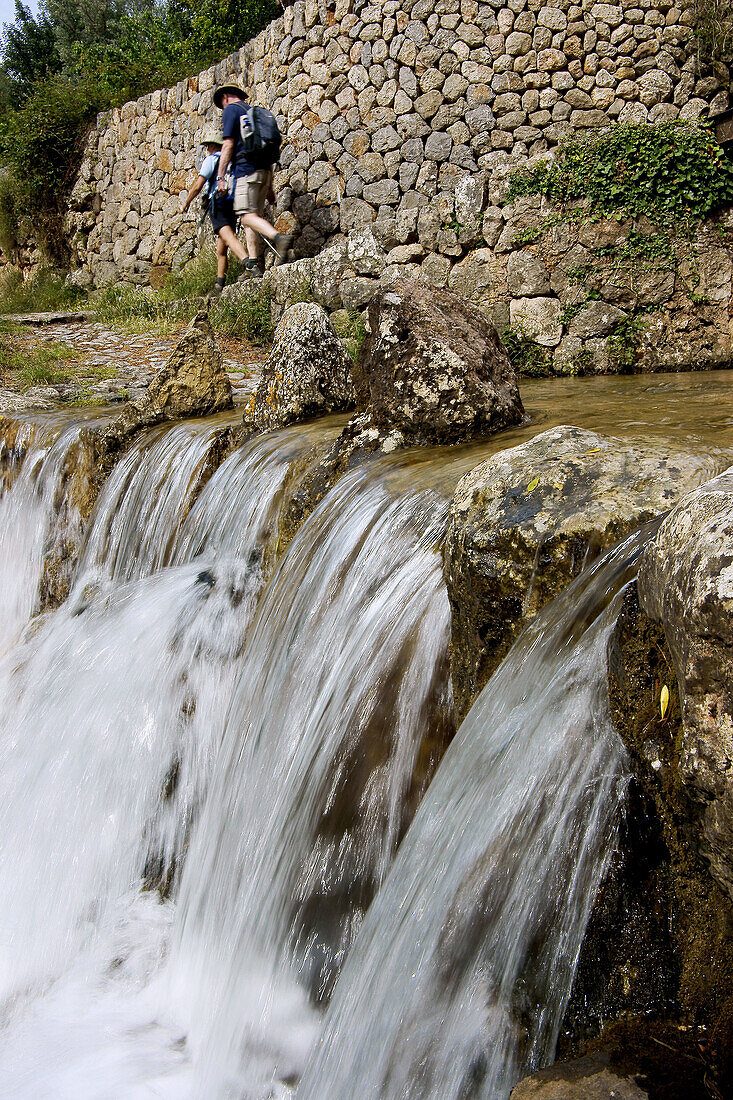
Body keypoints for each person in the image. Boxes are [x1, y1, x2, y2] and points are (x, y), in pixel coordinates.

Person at [213, 83, 292, 274]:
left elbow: (228, 145)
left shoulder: (231, 110)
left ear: (225, 97)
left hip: (245, 171)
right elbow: (265, 149)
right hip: (264, 171)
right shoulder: (253, 113)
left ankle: (280, 239)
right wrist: (270, 187)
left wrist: (221, 177)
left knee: (245, 215)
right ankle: (254, 265)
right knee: (252, 217)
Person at [181, 128, 250, 296]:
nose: (206, 150)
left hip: (218, 202)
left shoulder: (211, 160)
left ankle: (248, 263)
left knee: (227, 236)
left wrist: (187, 202)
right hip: (233, 202)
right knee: (221, 248)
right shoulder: (230, 161)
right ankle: (219, 284)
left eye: (207, 147)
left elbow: (198, 185)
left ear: (212, 146)